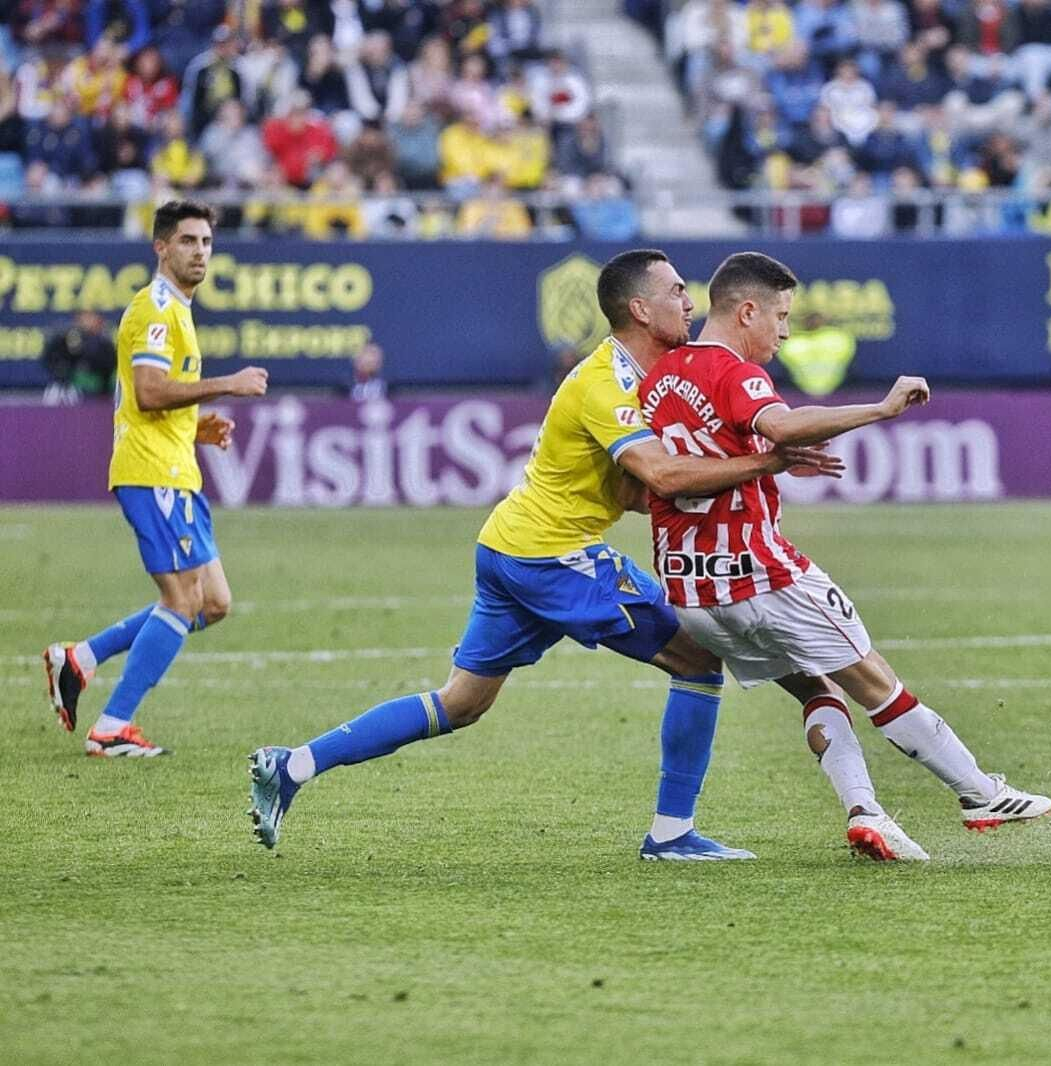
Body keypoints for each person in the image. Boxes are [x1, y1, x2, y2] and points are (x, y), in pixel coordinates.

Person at [245, 250, 840, 858]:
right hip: (552, 555)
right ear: (640, 309)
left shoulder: (653, 377)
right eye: (676, 292)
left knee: (461, 703)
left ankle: (292, 765)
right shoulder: (606, 383)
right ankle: (671, 834)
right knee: (698, 660)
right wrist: (767, 462)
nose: (690, 302)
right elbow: (660, 476)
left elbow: (634, 493)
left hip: (509, 545)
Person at [639, 252, 1051, 861]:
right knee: (877, 683)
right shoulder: (734, 372)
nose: (784, 332)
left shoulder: (659, 376)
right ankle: (980, 793)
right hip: (761, 577)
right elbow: (781, 426)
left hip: (690, 593)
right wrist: (881, 409)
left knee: (815, 687)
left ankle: (866, 812)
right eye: (780, 316)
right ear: (747, 311)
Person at [42, 200, 272, 756]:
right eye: (188, 241)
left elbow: (152, 399)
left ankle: (80, 658)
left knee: (212, 601)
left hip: (175, 468)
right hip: (152, 472)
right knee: (182, 599)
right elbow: (147, 392)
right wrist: (229, 384)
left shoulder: (179, 310)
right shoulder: (155, 307)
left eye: (207, 242)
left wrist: (195, 426)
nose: (200, 252)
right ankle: (112, 726)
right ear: (161, 247)